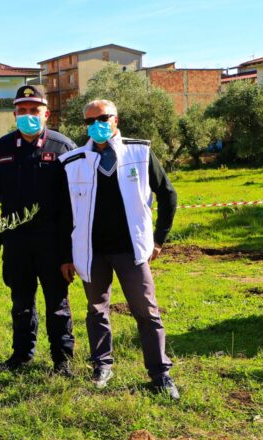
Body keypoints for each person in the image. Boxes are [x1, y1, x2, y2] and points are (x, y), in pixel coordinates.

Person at [58, 99, 180, 400]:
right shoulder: (74, 161)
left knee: (147, 311)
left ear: (116, 119)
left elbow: (168, 194)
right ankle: (102, 366)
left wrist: (159, 238)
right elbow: (62, 213)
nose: (95, 125)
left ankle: (160, 374)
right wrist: (66, 254)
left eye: (102, 118)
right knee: (96, 310)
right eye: (89, 121)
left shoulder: (139, 152)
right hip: (91, 251)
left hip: (131, 250)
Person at [0, 85, 76, 374]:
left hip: (53, 241)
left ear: (46, 113)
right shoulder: (2, 147)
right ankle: (21, 355)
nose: (28, 116)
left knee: (57, 303)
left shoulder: (63, 147)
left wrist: (68, 252)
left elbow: (73, 200)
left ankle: (62, 359)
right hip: (16, 240)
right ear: (14, 114)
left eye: (34, 111)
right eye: (22, 111)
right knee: (21, 302)